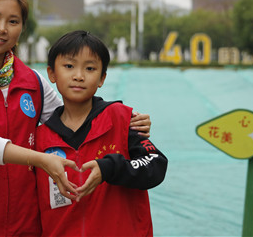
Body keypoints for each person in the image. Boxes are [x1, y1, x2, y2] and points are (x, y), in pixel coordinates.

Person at [0, 0, 151, 237]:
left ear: (21, 29)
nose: (2, 28)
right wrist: (40, 159)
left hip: (23, 225)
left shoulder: (33, 82)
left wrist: (123, 117)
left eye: (13, 21)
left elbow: (72, 118)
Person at [36, 30, 167, 237]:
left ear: (102, 78)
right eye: (69, 66)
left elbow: (156, 164)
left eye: (90, 68)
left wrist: (110, 168)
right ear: (51, 73)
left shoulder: (121, 118)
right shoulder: (39, 138)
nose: (79, 76)